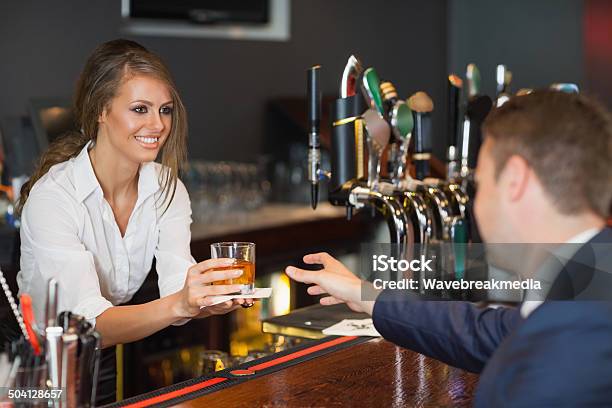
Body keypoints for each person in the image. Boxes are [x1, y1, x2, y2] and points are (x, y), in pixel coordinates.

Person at [286, 91, 612, 406]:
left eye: (479, 185)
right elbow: (489, 333)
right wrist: (366, 294)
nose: (474, 203)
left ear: (515, 180)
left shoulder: (574, 336)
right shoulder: (587, 280)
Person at [16, 39, 252, 403]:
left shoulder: (166, 187)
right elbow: (87, 322)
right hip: (37, 362)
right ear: (100, 111)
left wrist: (208, 299)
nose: (157, 125)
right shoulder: (54, 198)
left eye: (165, 110)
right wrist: (181, 305)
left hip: (104, 349)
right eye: (140, 109)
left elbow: (176, 286)